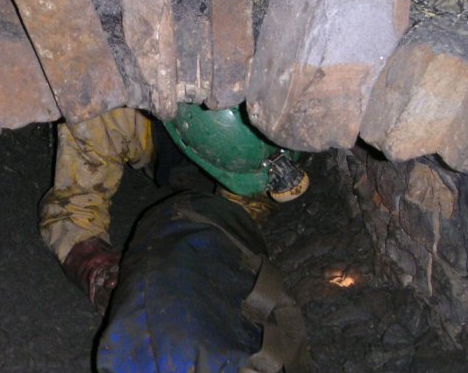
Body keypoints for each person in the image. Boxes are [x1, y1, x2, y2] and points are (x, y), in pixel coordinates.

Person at [39, 104, 309, 314]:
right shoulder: (109, 113)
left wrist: (207, 266)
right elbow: (72, 207)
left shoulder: (287, 125)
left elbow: (242, 215)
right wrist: (98, 269)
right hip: (151, 127)